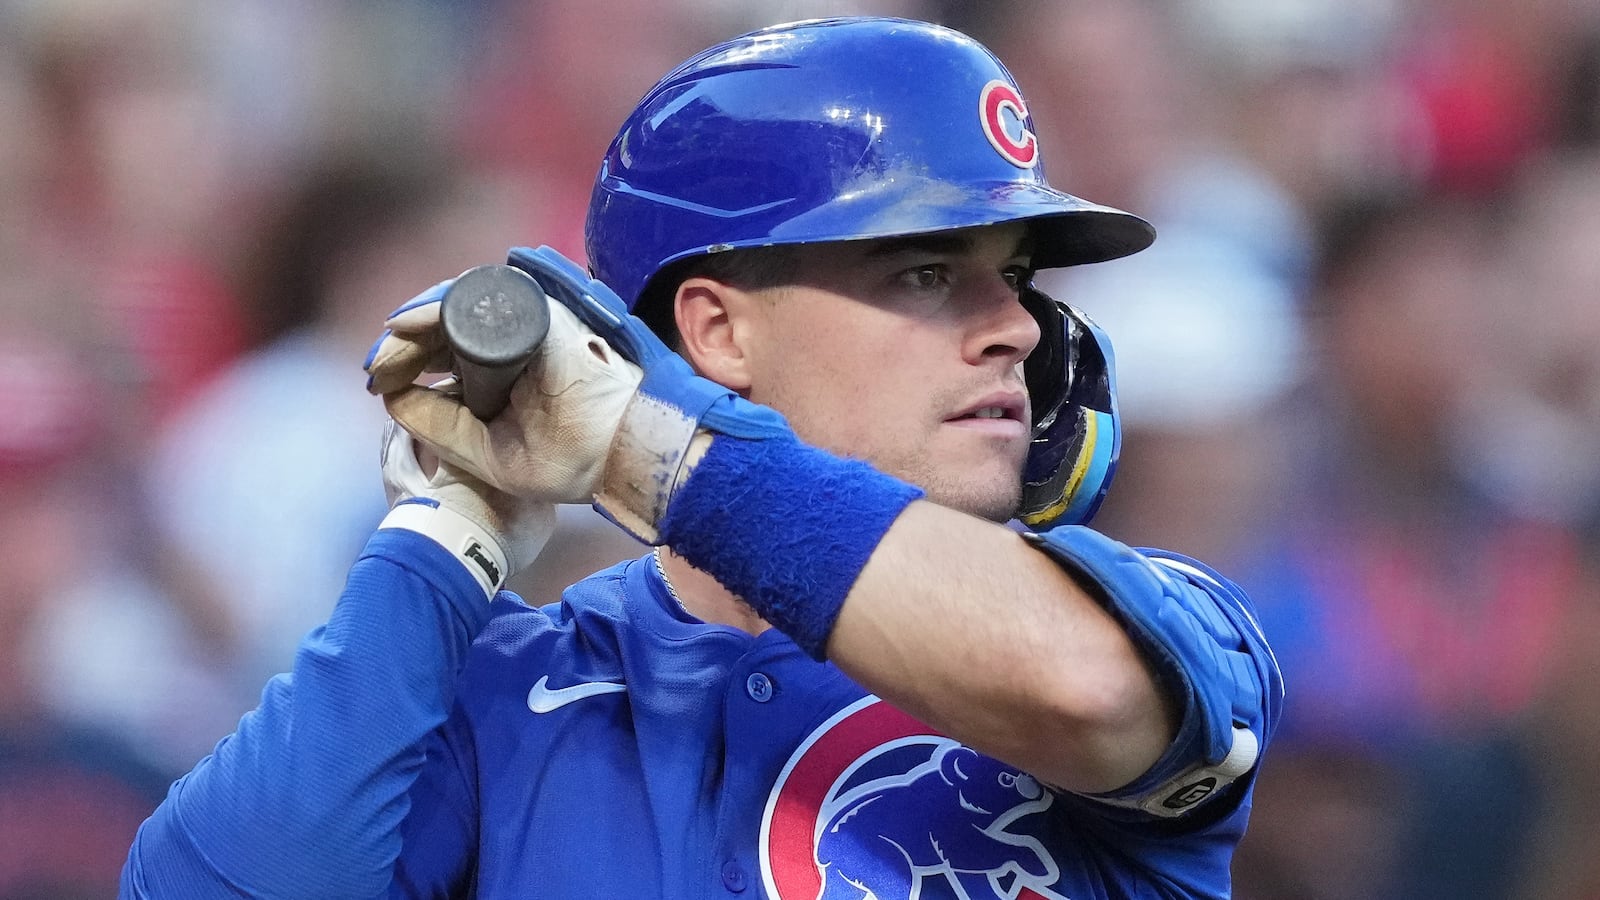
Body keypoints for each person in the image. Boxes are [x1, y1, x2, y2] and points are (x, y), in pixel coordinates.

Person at [120, 17, 1281, 899]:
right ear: (716, 333)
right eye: (925, 273)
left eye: (1014, 277)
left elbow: (1076, 690)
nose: (1017, 328)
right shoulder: (519, 689)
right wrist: (444, 534)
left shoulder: (1162, 615)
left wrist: (653, 449)